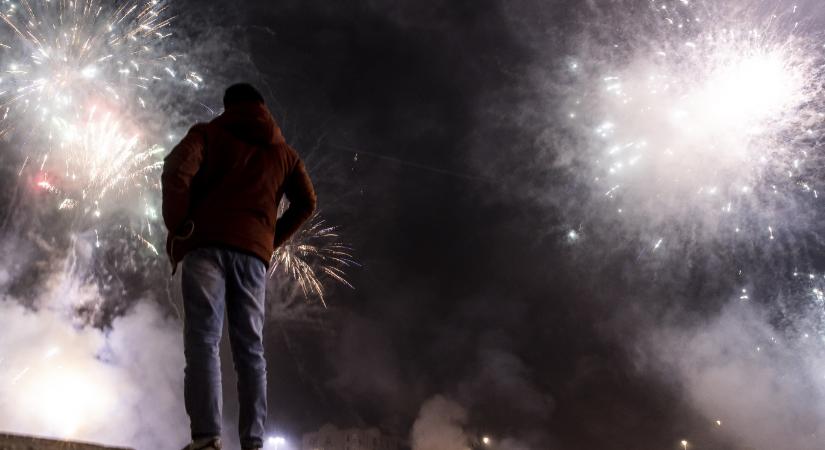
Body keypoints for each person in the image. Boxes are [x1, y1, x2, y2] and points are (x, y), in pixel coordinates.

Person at [162, 83, 317, 450]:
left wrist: (179, 224)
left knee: (203, 340)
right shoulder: (286, 155)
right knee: (250, 348)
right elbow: (307, 202)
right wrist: (268, 240)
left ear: (228, 106)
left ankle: (206, 439)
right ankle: (253, 442)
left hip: (205, 246)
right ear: (263, 107)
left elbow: (175, 171)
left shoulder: (208, 134)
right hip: (253, 257)